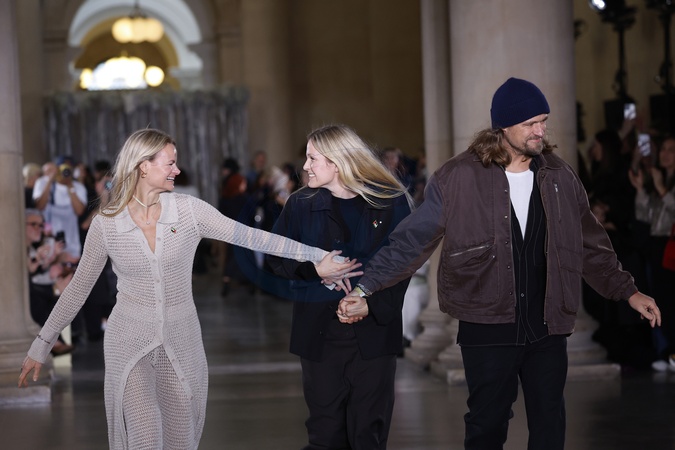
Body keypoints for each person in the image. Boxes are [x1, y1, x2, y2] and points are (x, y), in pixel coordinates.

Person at [338, 78, 661, 450]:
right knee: (486, 426)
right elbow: (412, 240)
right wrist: (366, 286)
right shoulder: (458, 177)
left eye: (543, 121)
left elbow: (590, 243)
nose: (540, 131)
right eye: (530, 123)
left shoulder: (559, 175)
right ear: (503, 127)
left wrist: (629, 291)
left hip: (548, 325)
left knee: (550, 424)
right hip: (487, 323)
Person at [18, 128, 360, 450]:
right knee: (145, 438)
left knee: (180, 439)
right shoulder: (107, 224)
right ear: (143, 166)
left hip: (181, 343)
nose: (177, 171)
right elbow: (78, 288)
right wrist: (42, 343)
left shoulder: (188, 211)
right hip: (128, 342)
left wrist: (316, 256)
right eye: (170, 163)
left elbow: (252, 237)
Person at [266, 124, 414, 449]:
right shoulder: (300, 204)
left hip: (374, 335)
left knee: (368, 434)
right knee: (325, 435)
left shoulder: (389, 201)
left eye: (312, 158)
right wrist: (314, 269)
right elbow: (275, 259)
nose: (305, 166)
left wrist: (370, 302)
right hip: (319, 335)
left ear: (337, 162)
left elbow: (403, 263)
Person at [629, 135, 675, 371]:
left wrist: (661, 189)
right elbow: (644, 215)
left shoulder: (664, 184)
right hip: (656, 247)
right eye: (663, 149)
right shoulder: (659, 180)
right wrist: (640, 188)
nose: (665, 154)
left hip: (671, 245)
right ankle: (665, 351)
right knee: (659, 299)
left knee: (670, 300)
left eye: (671, 150)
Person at [32, 155, 88, 257]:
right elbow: (40, 206)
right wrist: (50, 180)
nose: (65, 171)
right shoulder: (42, 182)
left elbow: (79, 211)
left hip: (71, 244)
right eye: (62, 168)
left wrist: (70, 186)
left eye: (68, 168)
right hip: (48, 241)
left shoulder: (79, 187)